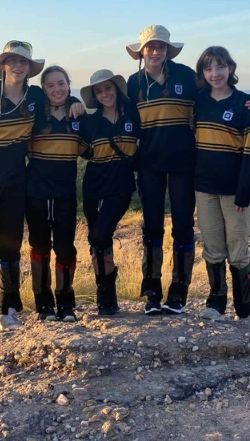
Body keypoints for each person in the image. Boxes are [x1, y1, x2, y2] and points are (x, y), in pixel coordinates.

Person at [125, 24, 250, 316]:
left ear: (167, 50)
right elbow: (116, 112)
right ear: (141, 51)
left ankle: (178, 294)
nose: (155, 51)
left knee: (183, 228)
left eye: (160, 46)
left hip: (185, 165)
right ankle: (151, 292)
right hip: (149, 164)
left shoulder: (186, 76)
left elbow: (220, 92)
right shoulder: (133, 82)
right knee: (151, 228)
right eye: (150, 47)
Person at [0, 41, 83, 338]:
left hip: (17, 183)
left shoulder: (35, 96)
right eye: (12, 60)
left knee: (11, 247)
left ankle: (8, 310)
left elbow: (61, 96)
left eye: (23, 62)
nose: (18, 66)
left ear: (29, 68)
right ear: (2, 65)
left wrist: (77, 99)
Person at [193, 46, 250, 327]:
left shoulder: (245, 105)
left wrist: (244, 190)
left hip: (234, 190)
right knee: (212, 246)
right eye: (208, 68)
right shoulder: (198, 103)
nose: (214, 73)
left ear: (230, 68)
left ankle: (244, 307)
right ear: (203, 72)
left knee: (237, 248)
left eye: (220, 67)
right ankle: (216, 302)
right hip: (204, 187)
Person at [25, 65, 87, 322]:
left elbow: (89, 148)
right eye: (50, 85)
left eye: (61, 84)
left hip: (64, 193)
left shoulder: (78, 116)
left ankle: (66, 303)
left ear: (68, 85)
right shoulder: (35, 115)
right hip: (36, 191)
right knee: (39, 246)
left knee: (65, 248)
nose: (56, 89)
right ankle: (43, 304)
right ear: (43, 90)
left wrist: (77, 102)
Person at [80, 70, 140, 316]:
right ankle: (106, 297)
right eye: (99, 91)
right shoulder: (90, 122)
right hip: (94, 181)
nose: (105, 94)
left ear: (116, 88)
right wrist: (73, 103)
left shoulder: (133, 115)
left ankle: (107, 289)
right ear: (95, 95)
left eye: (108, 88)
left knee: (100, 233)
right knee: (97, 240)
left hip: (121, 183)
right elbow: (82, 149)